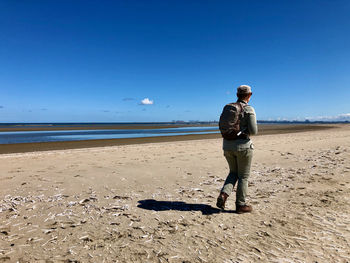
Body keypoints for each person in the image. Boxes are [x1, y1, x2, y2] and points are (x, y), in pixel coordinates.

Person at [216, 85, 258, 213]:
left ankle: (224, 195)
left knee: (233, 172)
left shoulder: (229, 107)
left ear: (237, 94)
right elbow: (254, 131)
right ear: (249, 95)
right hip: (243, 147)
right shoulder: (248, 109)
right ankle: (241, 205)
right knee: (243, 176)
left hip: (227, 145)